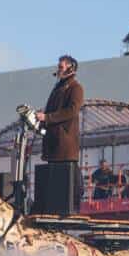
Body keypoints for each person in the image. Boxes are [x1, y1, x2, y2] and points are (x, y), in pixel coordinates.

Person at [36, 55, 84, 211]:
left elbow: (72, 111)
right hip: (54, 142)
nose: (58, 70)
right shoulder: (58, 88)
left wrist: (47, 117)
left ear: (71, 68)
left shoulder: (76, 88)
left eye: (61, 67)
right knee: (54, 180)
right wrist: (42, 118)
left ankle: (72, 208)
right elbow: (52, 111)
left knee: (69, 180)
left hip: (64, 143)